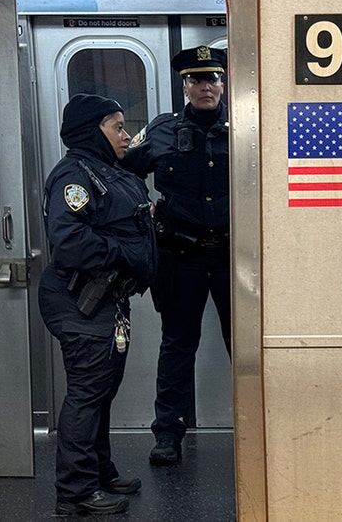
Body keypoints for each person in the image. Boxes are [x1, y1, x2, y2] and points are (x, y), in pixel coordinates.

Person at [39, 93, 157, 516]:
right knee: (87, 393)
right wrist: (122, 252)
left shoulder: (108, 171)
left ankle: (98, 471)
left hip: (107, 298)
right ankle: (74, 493)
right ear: (94, 131)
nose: (125, 135)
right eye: (117, 127)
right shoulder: (73, 176)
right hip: (78, 299)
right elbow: (69, 242)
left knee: (102, 391)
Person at [121, 46, 231, 466]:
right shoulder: (163, 130)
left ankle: (257, 427)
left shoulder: (245, 125)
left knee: (243, 347)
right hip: (180, 255)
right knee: (178, 345)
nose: (207, 86)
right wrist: (142, 212)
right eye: (198, 80)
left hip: (231, 256)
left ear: (223, 83)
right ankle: (168, 435)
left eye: (214, 78)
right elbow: (125, 170)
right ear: (185, 86)